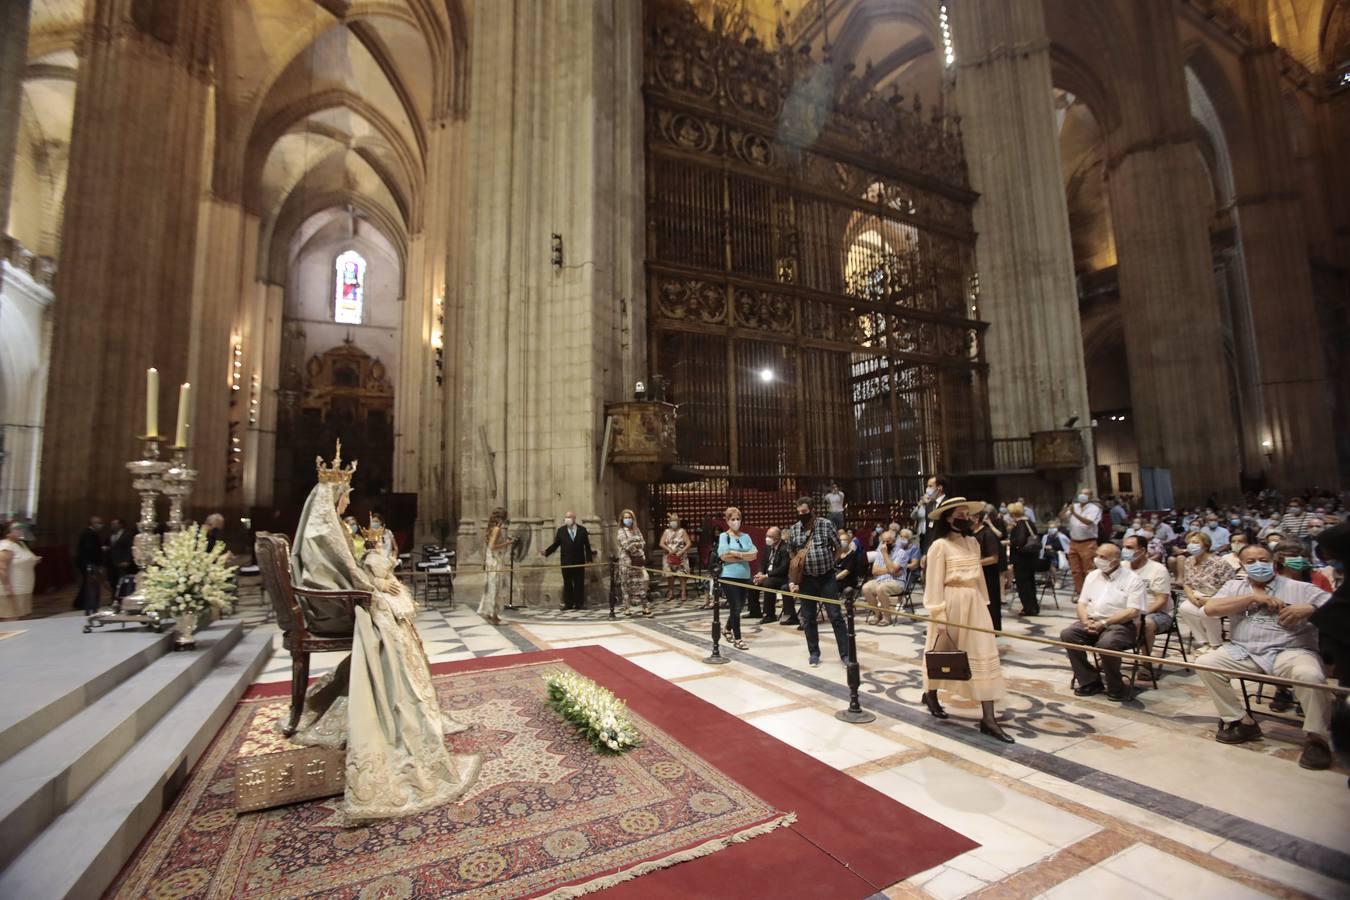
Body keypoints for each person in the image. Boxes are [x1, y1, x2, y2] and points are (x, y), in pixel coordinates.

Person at [287, 442, 481, 819]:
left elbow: (348, 568)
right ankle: (400, 713)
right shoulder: (322, 533)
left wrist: (375, 581)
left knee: (394, 616)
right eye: (344, 498)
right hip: (331, 608)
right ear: (333, 498)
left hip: (338, 599)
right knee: (390, 624)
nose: (346, 504)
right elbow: (334, 578)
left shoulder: (327, 530)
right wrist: (375, 587)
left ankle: (411, 704)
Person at [1194, 544, 1332, 769]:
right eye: (1250, 562)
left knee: (1311, 675)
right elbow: (1210, 609)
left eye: (1263, 559)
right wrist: (1250, 598)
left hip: (1291, 650)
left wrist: (1309, 609)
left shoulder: (1300, 588)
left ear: (1274, 562)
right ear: (1241, 565)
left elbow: (1337, 608)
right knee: (1206, 662)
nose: (1258, 565)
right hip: (1244, 650)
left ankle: (1317, 738)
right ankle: (1240, 720)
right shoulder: (1234, 586)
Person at [919, 498, 1015, 742]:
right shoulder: (939, 546)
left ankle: (989, 719)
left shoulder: (973, 542)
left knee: (983, 653)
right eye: (961, 514)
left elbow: (979, 575)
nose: (967, 518)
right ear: (949, 518)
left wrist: (983, 603)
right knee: (942, 651)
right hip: (950, 603)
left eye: (968, 514)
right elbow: (933, 582)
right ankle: (930, 692)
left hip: (973, 603)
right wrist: (938, 613)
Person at [1060, 543, 1147, 700]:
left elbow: (1133, 611)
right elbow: (1082, 603)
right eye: (1097, 555)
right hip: (1093, 620)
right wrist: (1086, 621)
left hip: (1121, 625)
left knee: (1106, 644)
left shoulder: (1133, 579)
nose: (1097, 559)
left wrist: (1105, 623)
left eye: (1102, 557)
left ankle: (1116, 686)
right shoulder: (1093, 576)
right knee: (1068, 634)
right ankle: (1090, 680)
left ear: (1115, 561)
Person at [786, 497, 849, 668]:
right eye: (799, 513)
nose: (801, 515)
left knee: (835, 616)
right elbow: (791, 551)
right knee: (808, 618)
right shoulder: (794, 529)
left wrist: (830, 563)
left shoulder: (826, 524)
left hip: (826, 576)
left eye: (804, 512)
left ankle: (845, 654)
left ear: (812, 510)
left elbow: (838, 548)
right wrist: (798, 568)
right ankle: (814, 653)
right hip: (806, 579)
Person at [1123, 534, 1173, 680]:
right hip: (1127, 609)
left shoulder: (1157, 569)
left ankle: (1145, 664)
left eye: (1129, 548)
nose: (1124, 551)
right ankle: (1109, 657)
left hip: (1157, 613)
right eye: (1124, 547)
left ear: (1142, 550)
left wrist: (1139, 613)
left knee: (1146, 624)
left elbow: (1161, 600)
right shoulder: (1122, 567)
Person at [1177, 531, 1231, 653]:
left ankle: (1215, 645)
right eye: (1189, 542)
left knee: (1205, 612)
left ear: (1205, 545)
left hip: (1218, 597)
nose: (1191, 545)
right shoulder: (1189, 561)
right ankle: (1204, 642)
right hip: (1197, 595)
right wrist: (1191, 596)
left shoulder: (1219, 562)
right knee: (1185, 608)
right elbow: (1187, 583)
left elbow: (1230, 585)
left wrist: (1210, 600)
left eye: (1195, 542)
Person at [717, 508, 758, 650]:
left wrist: (736, 554)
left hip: (744, 575)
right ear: (727, 521)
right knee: (735, 606)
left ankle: (727, 629)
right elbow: (723, 556)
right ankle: (738, 638)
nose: (735, 522)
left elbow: (753, 554)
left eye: (738, 519)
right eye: (732, 519)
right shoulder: (724, 536)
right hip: (729, 576)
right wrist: (743, 556)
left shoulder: (746, 536)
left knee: (739, 607)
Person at [541, 511, 594, 610]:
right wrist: (546, 552)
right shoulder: (561, 531)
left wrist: (589, 559)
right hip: (566, 562)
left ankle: (579, 603)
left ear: (574, 518)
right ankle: (568, 603)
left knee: (579, 583)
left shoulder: (582, 530)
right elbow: (556, 544)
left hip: (579, 561)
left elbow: (587, 546)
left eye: (569, 517)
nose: (567, 519)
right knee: (567, 583)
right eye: (566, 517)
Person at [1061, 486, 1101, 595]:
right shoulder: (1075, 506)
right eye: (1082, 493)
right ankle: (1080, 593)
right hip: (1074, 542)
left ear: (1091, 496)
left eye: (1086, 494)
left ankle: (1091, 594)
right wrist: (1065, 508)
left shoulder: (1094, 508)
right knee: (1075, 571)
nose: (1083, 496)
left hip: (1088, 542)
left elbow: (1088, 522)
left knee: (1088, 570)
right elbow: (1062, 518)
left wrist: (1074, 513)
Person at [972, 507, 1007, 631]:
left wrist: (974, 563)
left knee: (991, 601)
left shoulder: (987, 533)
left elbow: (993, 558)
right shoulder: (971, 534)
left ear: (976, 518)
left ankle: (993, 628)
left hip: (988, 574)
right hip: (978, 573)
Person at [478, 507, 512, 625]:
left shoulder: (492, 528)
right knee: (495, 588)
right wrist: (507, 543)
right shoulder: (497, 529)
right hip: (495, 562)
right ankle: (493, 616)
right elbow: (492, 546)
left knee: (492, 587)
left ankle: (491, 614)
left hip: (493, 560)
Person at [0, 521, 40, 621]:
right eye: (17, 529)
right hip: (12, 588)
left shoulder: (21, 544)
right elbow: (2, 567)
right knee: (11, 619)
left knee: (21, 618)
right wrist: (7, 587)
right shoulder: (6, 545)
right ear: (8, 532)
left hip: (23, 588)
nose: (21, 531)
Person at [616, 508, 651, 617]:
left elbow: (643, 543)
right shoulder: (621, 531)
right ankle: (627, 608)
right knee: (626, 585)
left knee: (642, 583)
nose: (628, 519)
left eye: (629, 517)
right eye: (626, 517)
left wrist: (636, 545)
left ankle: (645, 607)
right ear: (622, 519)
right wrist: (636, 547)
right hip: (627, 562)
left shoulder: (637, 530)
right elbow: (626, 545)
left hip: (638, 563)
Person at [1007, 502, 1040, 616]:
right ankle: (1034, 606)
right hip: (1030, 557)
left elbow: (1020, 541)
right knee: (1030, 583)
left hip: (1021, 559)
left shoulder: (1020, 524)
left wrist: (1010, 542)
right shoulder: (1029, 522)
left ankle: (1028, 608)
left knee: (1023, 584)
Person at [753, 525, 790, 624]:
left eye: (770, 536)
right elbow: (763, 562)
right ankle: (754, 611)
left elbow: (783, 568)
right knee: (752, 582)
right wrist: (760, 573)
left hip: (782, 577)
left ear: (777, 538)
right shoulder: (768, 548)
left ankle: (769, 615)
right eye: (767, 535)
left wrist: (766, 576)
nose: (767, 538)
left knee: (768, 583)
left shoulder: (784, 548)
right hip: (768, 575)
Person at [657, 514, 692, 605]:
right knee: (670, 576)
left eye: (675, 520)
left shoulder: (682, 531)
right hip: (669, 556)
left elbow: (688, 543)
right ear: (669, 522)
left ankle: (683, 592)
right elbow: (661, 543)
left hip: (680, 556)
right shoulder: (666, 531)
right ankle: (670, 592)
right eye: (672, 520)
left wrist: (682, 551)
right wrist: (669, 550)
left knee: (682, 575)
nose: (674, 522)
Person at [912, 475, 948, 554]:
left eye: (930, 486)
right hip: (931, 548)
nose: (927, 489)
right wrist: (925, 552)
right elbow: (928, 532)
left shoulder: (948, 504)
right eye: (927, 486)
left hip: (945, 547)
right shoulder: (929, 505)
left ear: (939, 488)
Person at [74, 516, 104, 614]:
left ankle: (81, 603)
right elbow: (90, 550)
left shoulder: (88, 533)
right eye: (98, 523)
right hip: (89, 563)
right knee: (90, 585)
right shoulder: (89, 534)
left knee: (87, 584)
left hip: (86, 563)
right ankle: (87, 604)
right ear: (93, 523)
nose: (100, 525)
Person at [104, 517, 136, 592]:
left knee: (123, 581)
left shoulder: (128, 534)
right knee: (113, 582)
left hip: (123, 562)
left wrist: (127, 560)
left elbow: (130, 547)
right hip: (112, 563)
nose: (112, 525)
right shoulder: (110, 535)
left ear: (121, 525)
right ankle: (114, 599)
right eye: (111, 524)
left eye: (114, 524)